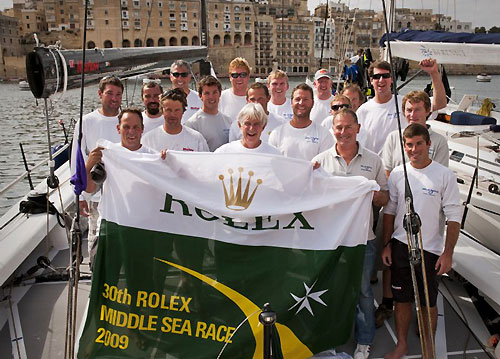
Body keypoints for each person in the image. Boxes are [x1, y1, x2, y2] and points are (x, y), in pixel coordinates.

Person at [375, 58, 449, 328]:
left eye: (417, 110)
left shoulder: (437, 141)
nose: (412, 115)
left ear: (427, 112)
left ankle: (423, 316)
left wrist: (434, 73)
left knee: (426, 274)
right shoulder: (395, 138)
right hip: (397, 215)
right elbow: (386, 169)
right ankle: (387, 303)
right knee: (392, 265)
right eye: (408, 110)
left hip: (427, 220)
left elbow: (440, 179)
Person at [312, 109, 388, 359]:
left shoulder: (374, 161)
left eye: (347, 127)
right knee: (330, 289)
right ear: (332, 129)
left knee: (363, 291)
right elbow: (312, 196)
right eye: (338, 128)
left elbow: (385, 197)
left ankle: (364, 340)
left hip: (362, 239)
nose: (343, 132)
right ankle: (330, 338)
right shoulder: (320, 161)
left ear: (357, 127)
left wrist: (373, 194)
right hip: (330, 240)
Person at [382, 124, 461, 359]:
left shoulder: (444, 175)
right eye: (409, 145)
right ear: (404, 147)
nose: (414, 149)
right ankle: (402, 344)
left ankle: (429, 348)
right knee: (402, 299)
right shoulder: (397, 174)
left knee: (428, 302)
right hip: (399, 246)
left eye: (418, 144)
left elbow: (454, 217)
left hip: (431, 249)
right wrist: (387, 244)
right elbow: (390, 210)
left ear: (429, 144)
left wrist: (447, 253)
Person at [84, 107, 158, 264]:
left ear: (142, 129)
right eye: (126, 127)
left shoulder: (153, 158)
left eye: (136, 127)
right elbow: (89, 189)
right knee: (103, 280)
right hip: (110, 227)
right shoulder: (106, 154)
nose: (131, 132)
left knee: (138, 281)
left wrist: (167, 161)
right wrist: (89, 164)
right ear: (118, 129)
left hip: (142, 229)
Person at [71, 75, 123, 265]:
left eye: (118, 94)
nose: (114, 98)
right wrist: (79, 195)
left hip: (123, 196)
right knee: (96, 243)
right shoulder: (86, 122)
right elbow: (76, 160)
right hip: (94, 196)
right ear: (100, 94)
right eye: (110, 93)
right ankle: (95, 283)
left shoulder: (128, 120)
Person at [357, 59, 447, 156]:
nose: (381, 80)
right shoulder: (362, 111)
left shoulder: (405, 104)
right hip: (375, 168)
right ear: (371, 80)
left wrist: (434, 73)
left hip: (401, 166)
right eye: (377, 76)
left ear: (391, 79)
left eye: (386, 76)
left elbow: (440, 104)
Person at [268, 83, 334, 161]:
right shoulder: (277, 134)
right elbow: (272, 164)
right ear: (291, 103)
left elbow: (326, 165)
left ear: (312, 103)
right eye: (297, 99)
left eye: (305, 99)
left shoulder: (324, 135)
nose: (301, 103)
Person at [141, 88, 209, 152]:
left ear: (183, 111)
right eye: (168, 110)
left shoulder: (197, 139)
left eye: (177, 110)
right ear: (161, 110)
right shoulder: (147, 140)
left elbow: (206, 162)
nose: (173, 114)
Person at [184, 75, 232, 151]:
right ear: (200, 96)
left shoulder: (228, 121)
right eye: (207, 93)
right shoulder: (192, 124)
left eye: (214, 92)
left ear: (220, 94)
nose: (211, 97)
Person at [216, 103, 281, 154]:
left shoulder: (274, 154)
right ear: (239, 125)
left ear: (263, 126)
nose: (251, 128)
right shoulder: (225, 152)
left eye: (256, 124)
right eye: (247, 123)